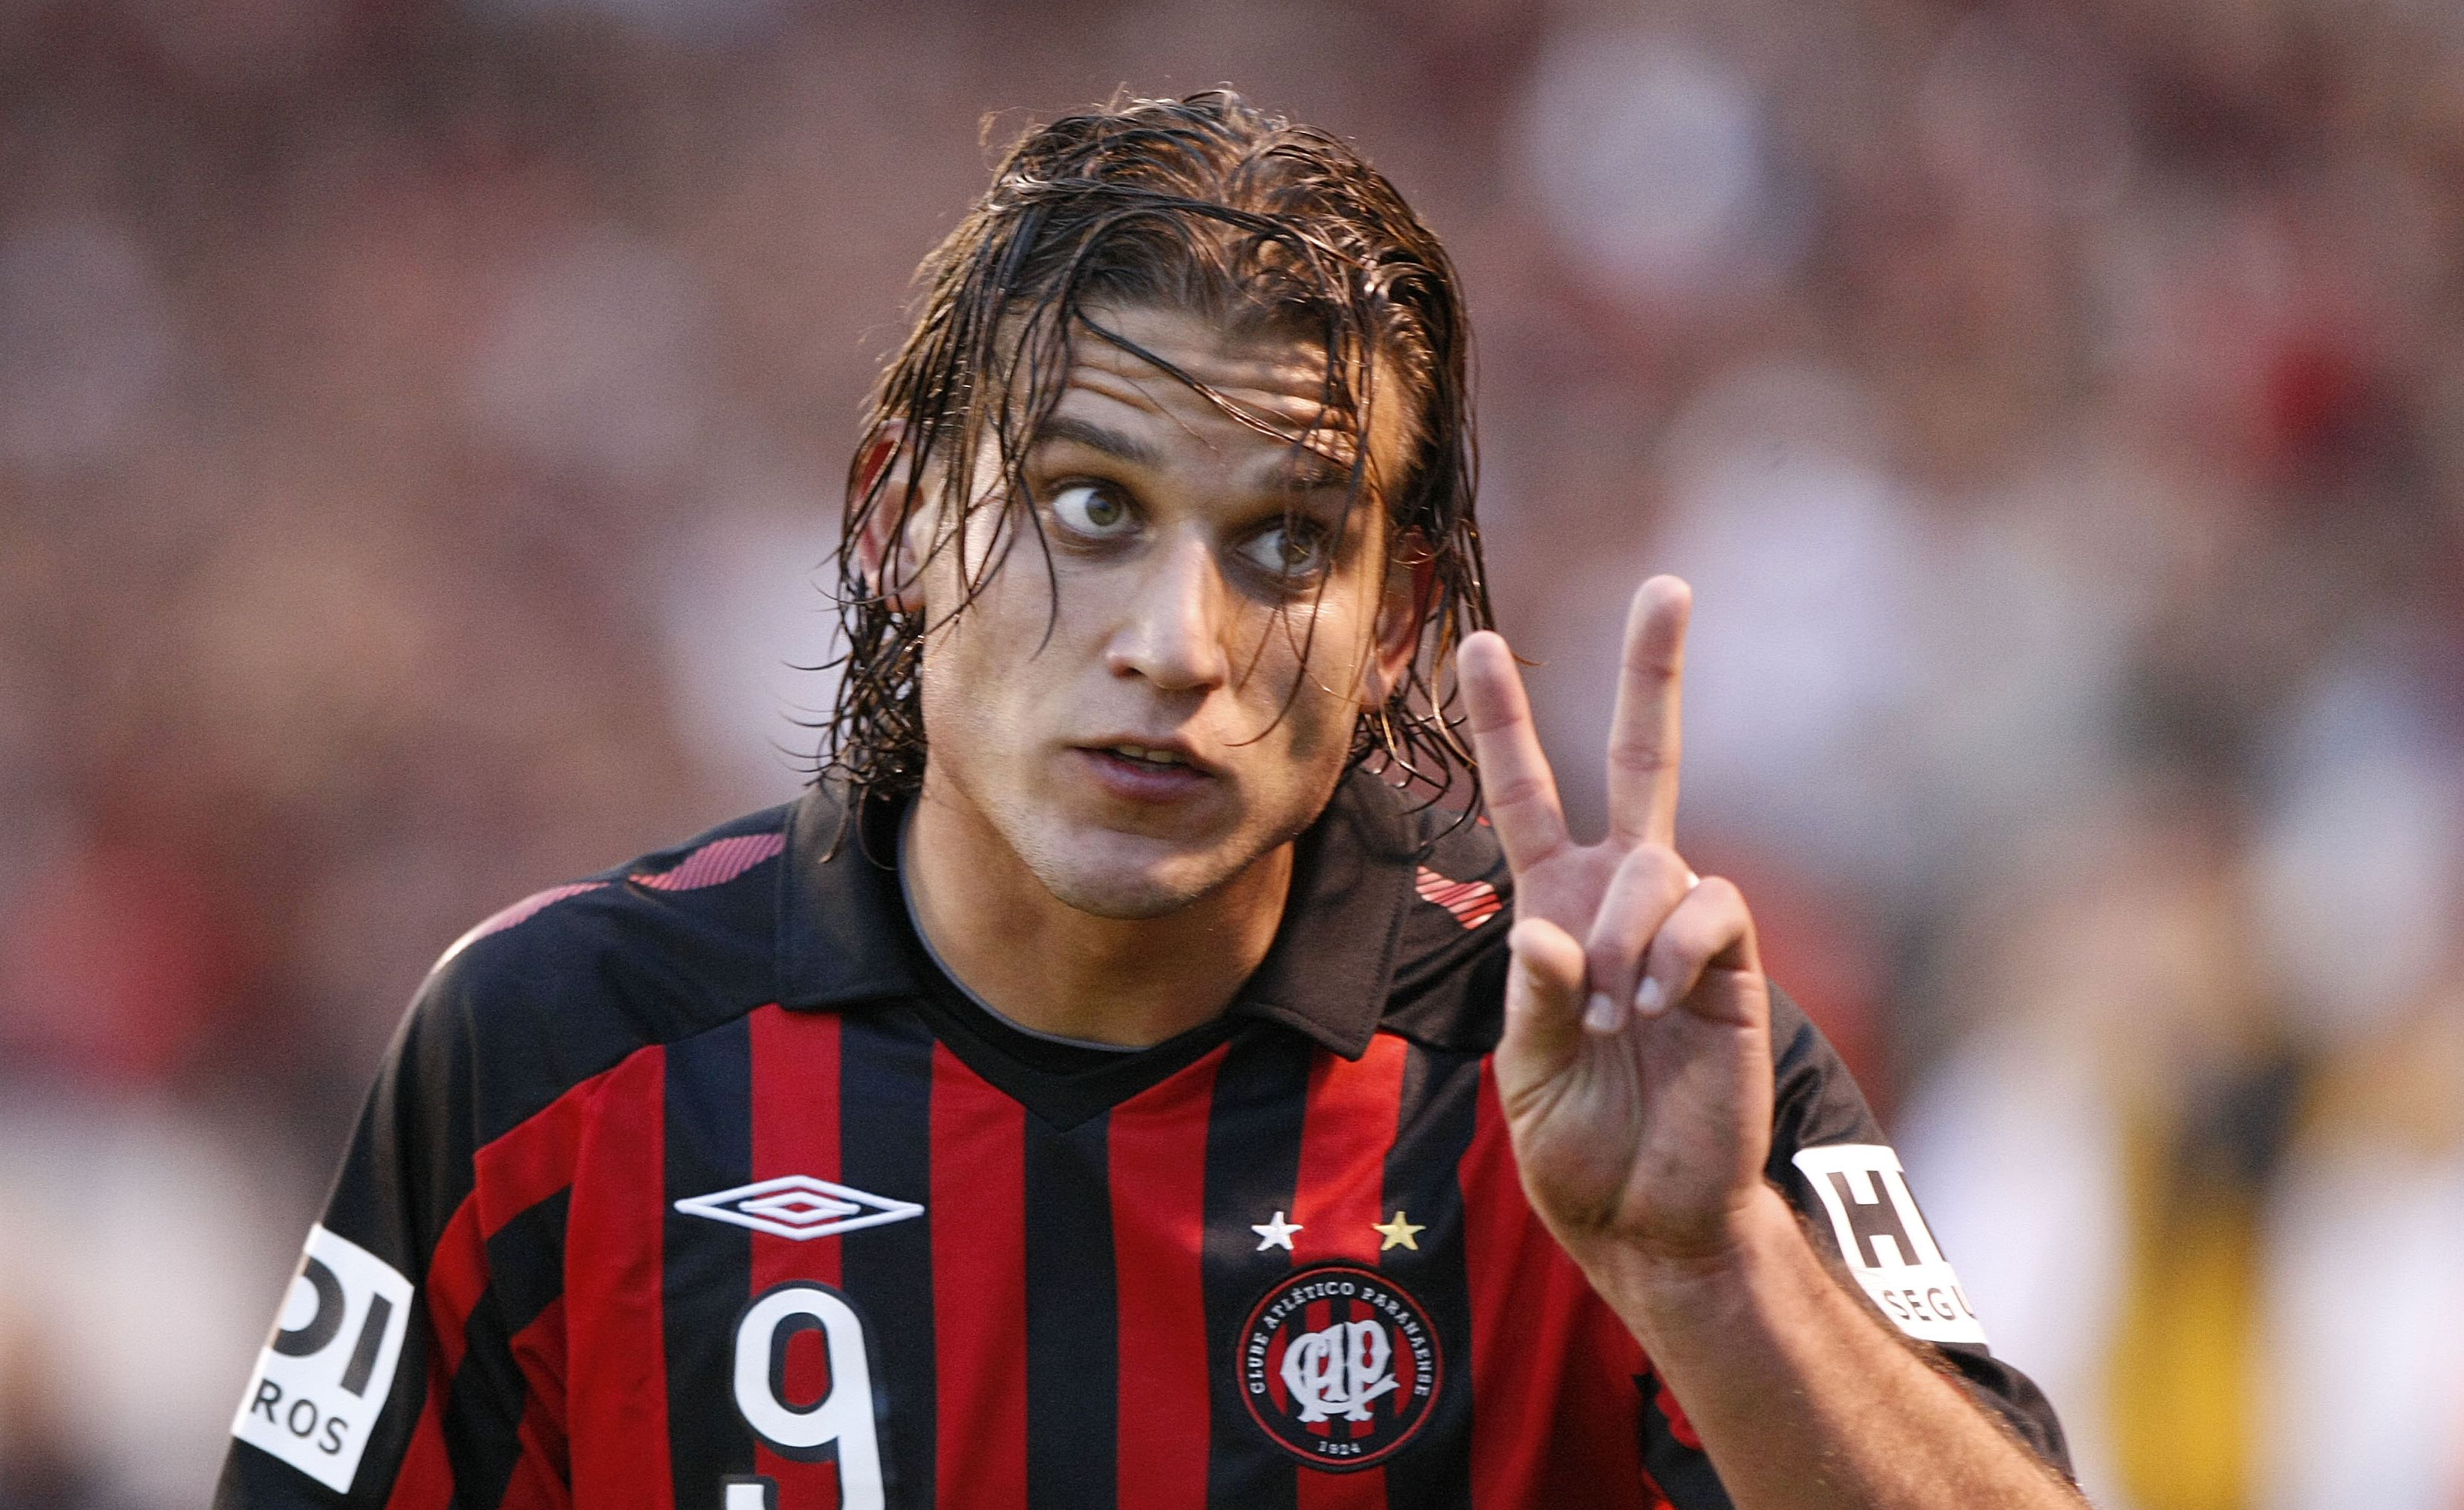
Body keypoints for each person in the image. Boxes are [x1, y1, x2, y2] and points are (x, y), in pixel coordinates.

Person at [216, 91, 2080, 1510]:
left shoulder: (1609, 1068)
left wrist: (1709, 1268)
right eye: (1091, 506)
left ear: (1396, 624)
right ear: (893, 525)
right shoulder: (551, 1058)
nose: (1175, 645)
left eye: (1284, 542)